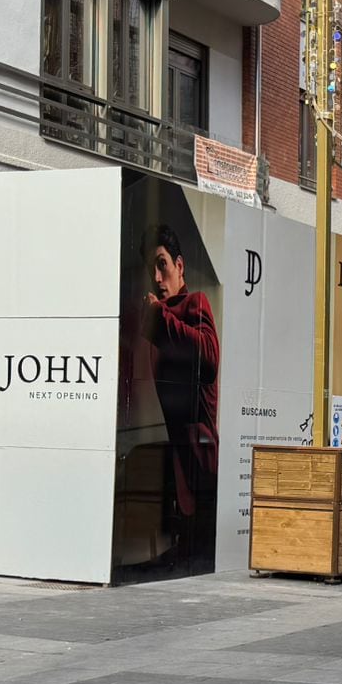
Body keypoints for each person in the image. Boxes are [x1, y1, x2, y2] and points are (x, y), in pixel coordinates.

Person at [144, 224, 220, 570]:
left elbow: (209, 358)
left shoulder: (194, 302)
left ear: (180, 266)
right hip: (179, 446)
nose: (158, 278)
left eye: (162, 265)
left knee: (201, 543)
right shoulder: (156, 315)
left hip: (199, 447)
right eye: (152, 270)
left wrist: (159, 317)